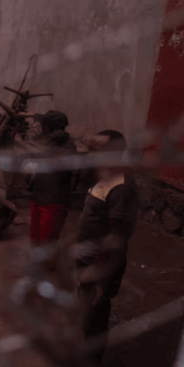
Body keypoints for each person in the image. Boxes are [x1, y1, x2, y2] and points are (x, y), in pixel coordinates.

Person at [74, 130, 138, 364]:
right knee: (88, 313)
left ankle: (92, 359)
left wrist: (96, 270)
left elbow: (118, 236)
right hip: (88, 258)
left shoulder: (122, 187)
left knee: (96, 317)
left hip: (102, 265)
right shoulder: (100, 176)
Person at [25, 111, 77, 245]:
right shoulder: (54, 141)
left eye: (43, 126)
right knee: (36, 242)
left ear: (48, 128)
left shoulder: (64, 145)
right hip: (39, 197)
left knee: (46, 245)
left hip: (53, 202)